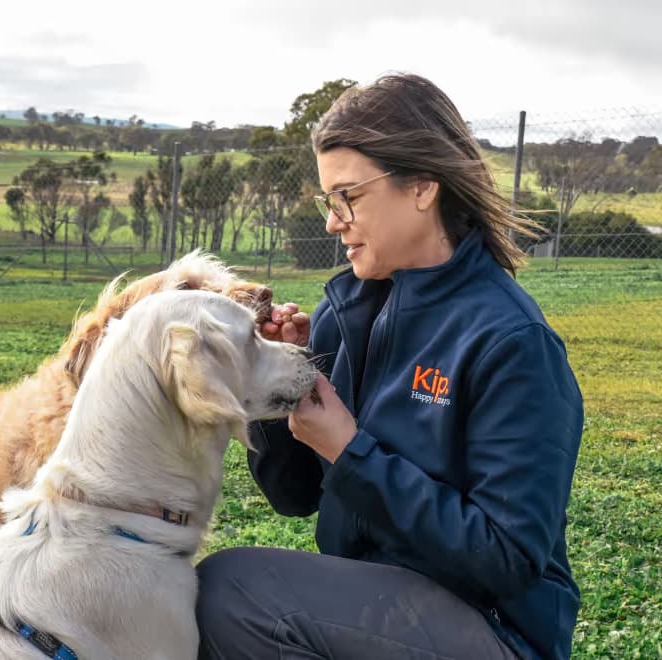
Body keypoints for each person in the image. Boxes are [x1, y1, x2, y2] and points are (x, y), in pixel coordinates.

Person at [195, 73, 583, 660]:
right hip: (384, 611)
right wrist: (277, 388)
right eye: (329, 200)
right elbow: (294, 495)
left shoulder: (512, 341)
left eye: (347, 196)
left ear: (423, 187)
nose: (333, 220)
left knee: (231, 590)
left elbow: (508, 558)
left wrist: (352, 451)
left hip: (495, 629)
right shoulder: (346, 310)